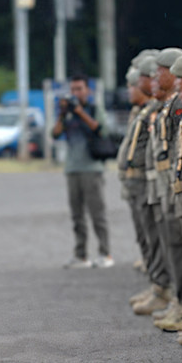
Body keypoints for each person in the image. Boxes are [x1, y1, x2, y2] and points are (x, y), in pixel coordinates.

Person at [53, 74, 114, 269]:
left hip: (92, 168)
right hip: (72, 167)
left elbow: (101, 130)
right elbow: (54, 134)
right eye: (73, 89)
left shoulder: (94, 109)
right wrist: (62, 114)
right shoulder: (67, 112)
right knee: (76, 215)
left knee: (97, 213)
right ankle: (81, 255)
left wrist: (80, 112)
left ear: (88, 90)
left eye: (79, 89)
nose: (76, 93)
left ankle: (105, 253)